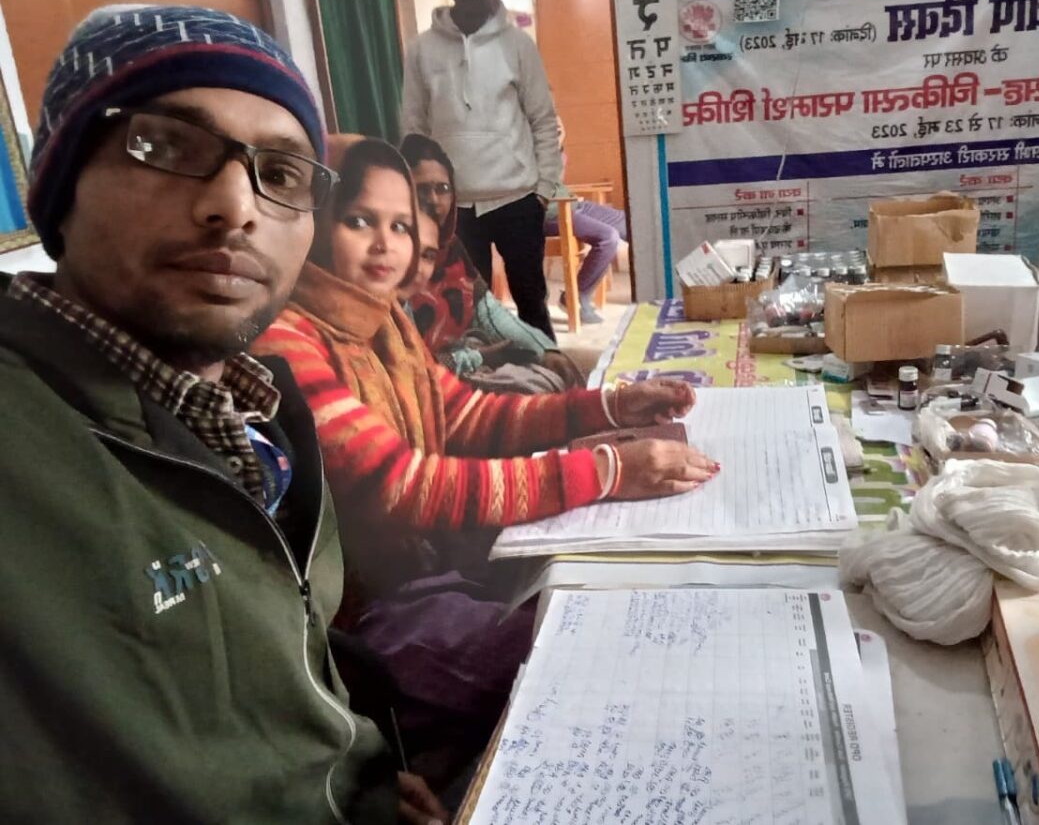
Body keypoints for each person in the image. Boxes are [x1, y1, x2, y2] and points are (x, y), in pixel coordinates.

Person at [0, 5, 445, 824]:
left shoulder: (263, 407)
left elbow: (281, 657)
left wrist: (358, 763)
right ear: (60, 188)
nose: (235, 206)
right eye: (168, 147)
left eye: (281, 173)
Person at [251, 135, 717, 782]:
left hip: (430, 566)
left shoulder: (382, 320)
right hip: (363, 620)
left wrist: (610, 408)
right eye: (359, 221)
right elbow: (402, 485)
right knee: (587, 653)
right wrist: (607, 472)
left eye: (400, 226)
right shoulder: (285, 341)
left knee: (610, 593)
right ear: (313, 221)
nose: (386, 245)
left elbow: (468, 416)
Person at [401, 0, 560, 340]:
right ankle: (487, 379)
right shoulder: (421, 50)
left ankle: (550, 376)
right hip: (454, 207)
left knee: (531, 303)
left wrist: (543, 191)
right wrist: (425, 200)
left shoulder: (519, 46)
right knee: (466, 312)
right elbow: (414, 130)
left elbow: (543, 121)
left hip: (517, 200)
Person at [400, 132, 581, 392]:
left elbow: (488, 311)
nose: (434, 200)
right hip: (427, 384)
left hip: (466, 359)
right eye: (421, 189)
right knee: (535, 392)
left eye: (442, 189)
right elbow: (407, 363)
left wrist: (545, 350)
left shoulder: (451, 249)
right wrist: (481, 358)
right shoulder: (395, 260)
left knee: (557, 372)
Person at [543, 115, 626, 325]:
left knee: (628, 222)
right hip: (549, 214)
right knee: (608, 237)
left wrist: (557, 143)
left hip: (570, 204)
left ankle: (655, 287)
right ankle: (576, 296)